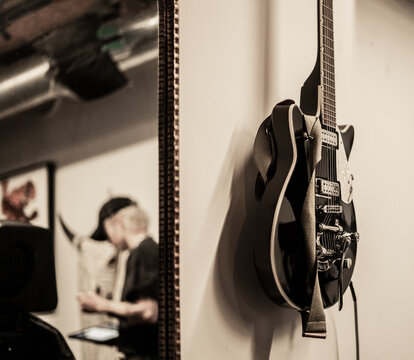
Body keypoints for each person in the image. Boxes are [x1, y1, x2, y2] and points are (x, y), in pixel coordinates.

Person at [77, 197, 158, 360]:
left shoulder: (145, 251)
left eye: (106, 230)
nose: (107, 240)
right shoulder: (136, 254)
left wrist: (101, 304)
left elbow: (149, 311)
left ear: (119, 222)